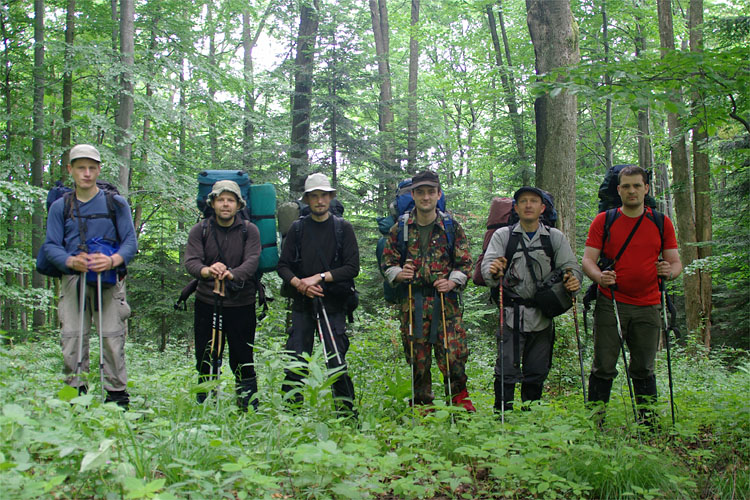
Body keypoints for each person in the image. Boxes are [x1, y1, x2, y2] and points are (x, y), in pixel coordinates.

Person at [582, 165, 681, 425]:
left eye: (637, 185)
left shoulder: (661, 222)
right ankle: (595, 423)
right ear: (618, 190)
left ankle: (648, 424)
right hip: (611, 302)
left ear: (646, 189)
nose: (632, 190)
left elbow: (676, 263)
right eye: (626, 186)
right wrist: (599, 277)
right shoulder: (604, 221)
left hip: (649, 305)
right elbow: (588, 261)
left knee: (644, 367)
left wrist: (668, 272)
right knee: (603, 365)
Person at [42, 144, 137, 408]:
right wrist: (70, 260)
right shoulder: (61, 206)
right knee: (72, 336)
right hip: (73, 278)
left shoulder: (115, 203)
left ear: (98, 170)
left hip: (109, 280)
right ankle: (75, 394)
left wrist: (113, 260)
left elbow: (130, 241)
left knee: (112, 336)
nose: (86, 173)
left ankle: (117, 396)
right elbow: (50, 245)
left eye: (92, 168)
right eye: (81, 168)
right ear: (70, 170)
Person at [381, 171, 476, 412]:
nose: (426, 197)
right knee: (417, 361)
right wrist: (399, 274)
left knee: (453, 358)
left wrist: (452, 282)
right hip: (413, 303)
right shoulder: (399, 229)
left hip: (446, 305)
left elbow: (465, 264)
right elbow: (387, 263)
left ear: (438, 194)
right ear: (413, 195)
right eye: (421, 192)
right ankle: (422, 410)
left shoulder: (451, 227)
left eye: (431, 192)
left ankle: (459, 408)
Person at [482, 186, 581, 412]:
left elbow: (571, 267)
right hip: (510, 315)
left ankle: (531, 418)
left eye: (533, 201)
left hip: (542, 315)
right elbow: (488, 268)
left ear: (542, 207)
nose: (528, 205)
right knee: (506, 369)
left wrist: (573, 281)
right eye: (523, 201)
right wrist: (493, 271)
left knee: (536, 370)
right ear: (515, 208)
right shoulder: (503, 236)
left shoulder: (554, 237)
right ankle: (502, 415)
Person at [277, 173, 359, 416]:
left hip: (333, 304)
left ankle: (346, 415)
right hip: (302, 305)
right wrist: (300, 284)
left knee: (336, 361)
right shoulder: (297, 228)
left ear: (331, 197)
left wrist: (320, 277)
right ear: (307, 200)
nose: (320, 200)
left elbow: (352, 267)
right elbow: (283, 265)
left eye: (324, 195)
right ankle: (291, 415)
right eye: (315, 196)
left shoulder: (343, 228)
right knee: (296, 361)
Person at [185, 180, 261, 411]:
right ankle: (206, 406)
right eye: (221, 200)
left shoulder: (250, 230)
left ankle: (247, 408)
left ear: (239, 204)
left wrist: (230, 274)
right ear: (213, 203)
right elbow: (191, 261)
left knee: (243, 357)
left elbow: (252, 261)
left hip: (242, 303)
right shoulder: (201, 230)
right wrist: (208, 270)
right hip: (207, 302)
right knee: (206, 356)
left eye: (230, 200)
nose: (225, 205)